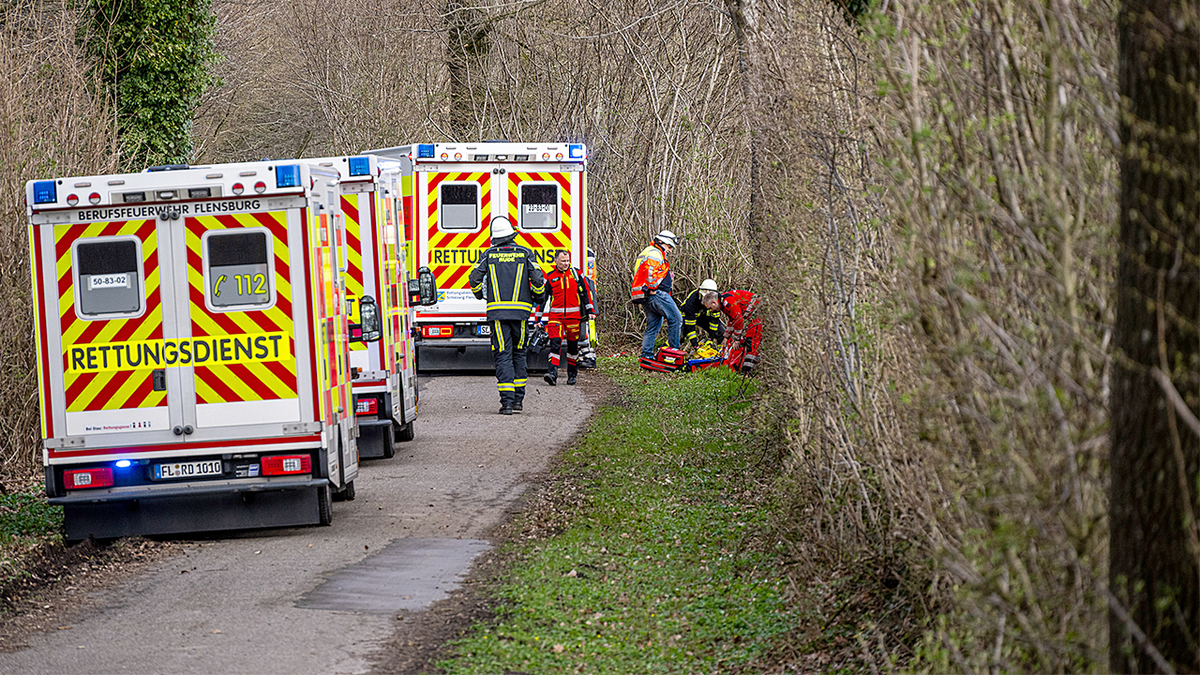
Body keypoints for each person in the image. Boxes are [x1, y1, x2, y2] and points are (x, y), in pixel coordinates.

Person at [469, 216, 546, 415]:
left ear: (494, 237)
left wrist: (479, 294)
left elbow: (474, 279)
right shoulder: (525, 253)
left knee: (503, 355)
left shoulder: (488, 255)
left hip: (497, 315)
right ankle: (519, 401)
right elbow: (538, 281)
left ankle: (507, 404)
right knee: (519, 354)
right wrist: (538, 297)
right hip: (520, 315)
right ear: (512, 235)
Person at [540, 250, 596, 386]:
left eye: (567, 261)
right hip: (555, 317)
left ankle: (572, 374)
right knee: (555, 345)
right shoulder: (550, 277)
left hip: (573, 318)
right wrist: (538, 319)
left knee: (572, 348)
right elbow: (543, 299)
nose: (566, 264)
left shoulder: (576, 275)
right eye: (563, 261)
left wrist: (590, 310)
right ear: (556, 261)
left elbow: (586, 293)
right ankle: (552, 374)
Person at [630, 230, 681, 359]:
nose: (670, 250)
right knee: (676, 319)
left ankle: (646, 355)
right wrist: (652, 287)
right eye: (669, 247)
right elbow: (650, 272)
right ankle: (674, 354)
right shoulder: (655, 253)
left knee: (653, 326)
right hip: (656, 294)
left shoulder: (648, 251)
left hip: (646, 296)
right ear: (661, 242)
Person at [704, 289, 762, 374]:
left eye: (710, 308)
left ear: (714, 303)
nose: (711, 311)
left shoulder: (727, 302)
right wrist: (726, 337)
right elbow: (731, 321)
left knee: (752, 342)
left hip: (757, 314)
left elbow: (738, 319)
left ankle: (748, 371)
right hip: (752, 316)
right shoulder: (723, 302)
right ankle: (747, 369)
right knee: (749, 341)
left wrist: (737, 339)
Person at [679, 279, 724, 348]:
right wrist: (695, 345)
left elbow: (714, 321)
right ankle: (670, 352)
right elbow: (690, 327)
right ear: (700, 293)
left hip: (703, 317)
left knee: (721, 332)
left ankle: (722, 352)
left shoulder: (716, 301)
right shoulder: (691, 302)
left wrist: (710, 339)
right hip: (687, 317)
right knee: (679, 335)